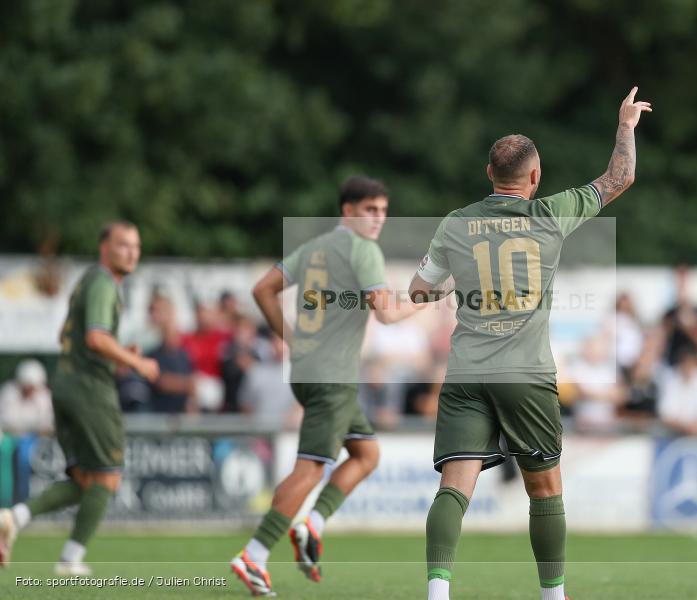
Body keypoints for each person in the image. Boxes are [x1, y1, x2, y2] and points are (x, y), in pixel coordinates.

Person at [408, 87, 651, 600]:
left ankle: (437, 593)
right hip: (526, 373)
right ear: (535, 178)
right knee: (544, 489)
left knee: (454, 486)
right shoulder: (550, 214)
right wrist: (625, 125)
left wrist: (455, 278)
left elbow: (420, 290)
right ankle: (553, 596)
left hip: (468, 373)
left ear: (488, 174)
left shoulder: (456, 223)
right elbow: (619, 178)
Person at [230, 176, 424, 597]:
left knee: (366, 453)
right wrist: (430, 298)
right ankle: (255, 555)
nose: (378, 219)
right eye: (370, 210)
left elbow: (263, 289)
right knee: (311, 467)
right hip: (331, 377)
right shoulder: (363, 250)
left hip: (307, 369)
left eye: (383, 211)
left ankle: (312, 525)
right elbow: (387, 315)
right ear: (347, 211)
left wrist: (290, 337)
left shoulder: (314, 247)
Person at [0, 222, 160, 574]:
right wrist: (137, 362)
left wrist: (116, 353)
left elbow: (66, 334)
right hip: (90, 392)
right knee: (108, 476)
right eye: (123, 245)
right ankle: (70, 559)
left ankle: (13, 517)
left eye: (136, 246)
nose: (131, 252)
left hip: (65, 386)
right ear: (104, 248)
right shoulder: (103, 282)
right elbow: (96, 339)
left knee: (84, 481)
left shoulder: (88, 281)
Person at [657, 347, 697, 436]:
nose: (688, 367)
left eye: (691, 364)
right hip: (672, 435)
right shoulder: (669, 378)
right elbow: (665, 414)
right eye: (685, 363)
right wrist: (686, 428)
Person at [661, 266, 697, 366]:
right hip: (673, 366)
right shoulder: (669, 313)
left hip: (694, 368)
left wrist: (686, 326)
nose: (681, 285)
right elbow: (662, 343)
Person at [0, 360, 54, 435]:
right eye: (27, 386)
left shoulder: (45, 396)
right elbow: (6, 422)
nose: (30, 391)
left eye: (32, 387)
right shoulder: (8, 393)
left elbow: (49, 423)